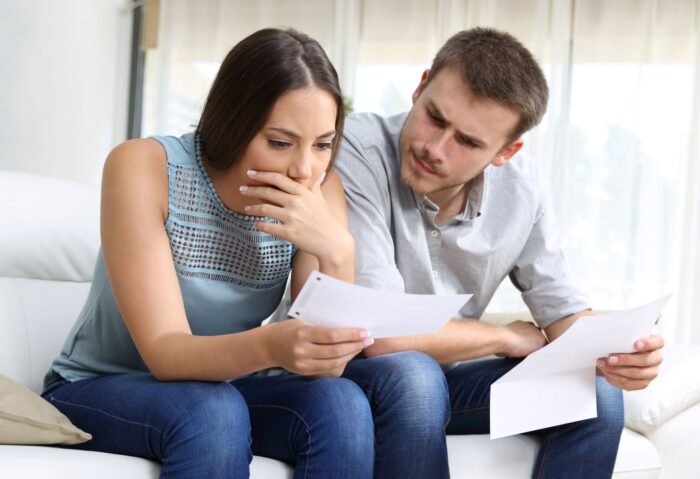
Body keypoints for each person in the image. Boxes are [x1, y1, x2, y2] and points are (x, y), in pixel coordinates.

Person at [41, 28, 377, 479]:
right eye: (280, 142)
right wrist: (273, 345)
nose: (304, 169)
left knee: (341, 404)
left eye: (322, 144)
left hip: (222, 387)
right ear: (233, 122)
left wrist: (338, 251)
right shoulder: (145, 166)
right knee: (211, 410)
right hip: (97, 387)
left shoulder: (321, 189)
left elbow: (325, 373)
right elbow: (166, 354)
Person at [334, 27, 665, 478]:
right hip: (348, 378)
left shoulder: (522, 188)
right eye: (434, 116)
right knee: (414, 377)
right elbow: (385, 336)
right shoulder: (357, 146)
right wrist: (504, 337)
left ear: (506, 151)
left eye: (467, 142)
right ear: (421, 84)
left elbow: (562, 312)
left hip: (443, 381)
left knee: (597, 395)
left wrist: (622, 354)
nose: (435, 149)